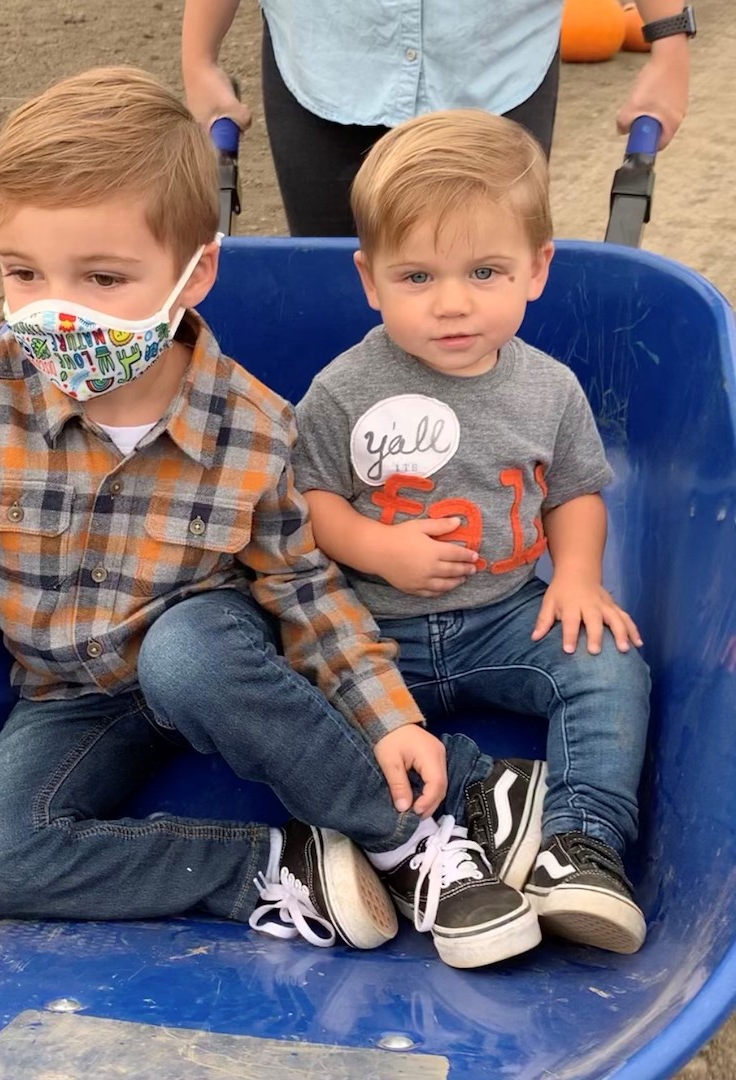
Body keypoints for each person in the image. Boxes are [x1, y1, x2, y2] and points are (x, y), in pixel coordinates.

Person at [0, 66, 545, 970]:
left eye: (103, 277)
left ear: (195, 272)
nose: (59, 310)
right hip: (71, 694)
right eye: (24, 272)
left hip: (211, 662)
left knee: (188, 651)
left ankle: (411, 838)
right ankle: (277, 868)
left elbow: (307, 591)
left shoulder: (253, 430)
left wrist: (388, 719)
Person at [291, 110, 652, 953]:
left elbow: (575, 493)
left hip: (506, 616)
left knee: (607, 662)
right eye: (416, 277)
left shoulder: (549, 390)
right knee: (295, 702)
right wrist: (377, 547)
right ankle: (459, 805)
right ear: (370, 279)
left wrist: (576, 578)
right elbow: (308, 498)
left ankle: (581, 843)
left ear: (537, 269)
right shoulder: (344, 388)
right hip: (375, 637)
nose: (453, 304)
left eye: (484, 271)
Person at [182, 0, 693, 235]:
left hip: (495, 60)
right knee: (334, 292)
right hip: (328, 54)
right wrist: (198, 58)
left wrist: (668, 43)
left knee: (481, 289)